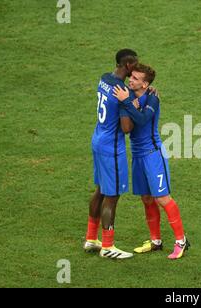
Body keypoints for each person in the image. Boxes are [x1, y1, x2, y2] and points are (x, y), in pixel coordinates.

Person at [113, 63, 190, 259]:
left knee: (162, 198)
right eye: (131, 76)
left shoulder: (153, 98)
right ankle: (155, 240)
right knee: (146, 199)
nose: (130, 80)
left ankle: (181, 241)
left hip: (153, 155)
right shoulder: (129, 95)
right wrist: (128, 102)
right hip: (138, 155)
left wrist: (127, 103)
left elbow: (141, 120)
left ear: (145, 84)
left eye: (136, 79)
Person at [83, 49, 139, 259]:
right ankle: (108, 246)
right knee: (112, 195)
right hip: (112, 148)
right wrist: (128, 102)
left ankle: (91, 238)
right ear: (128, 65)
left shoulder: (105, 78)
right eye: (135, 64)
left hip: (97, 139)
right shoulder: (121, 92)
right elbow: (126, 128)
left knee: (100, 190)